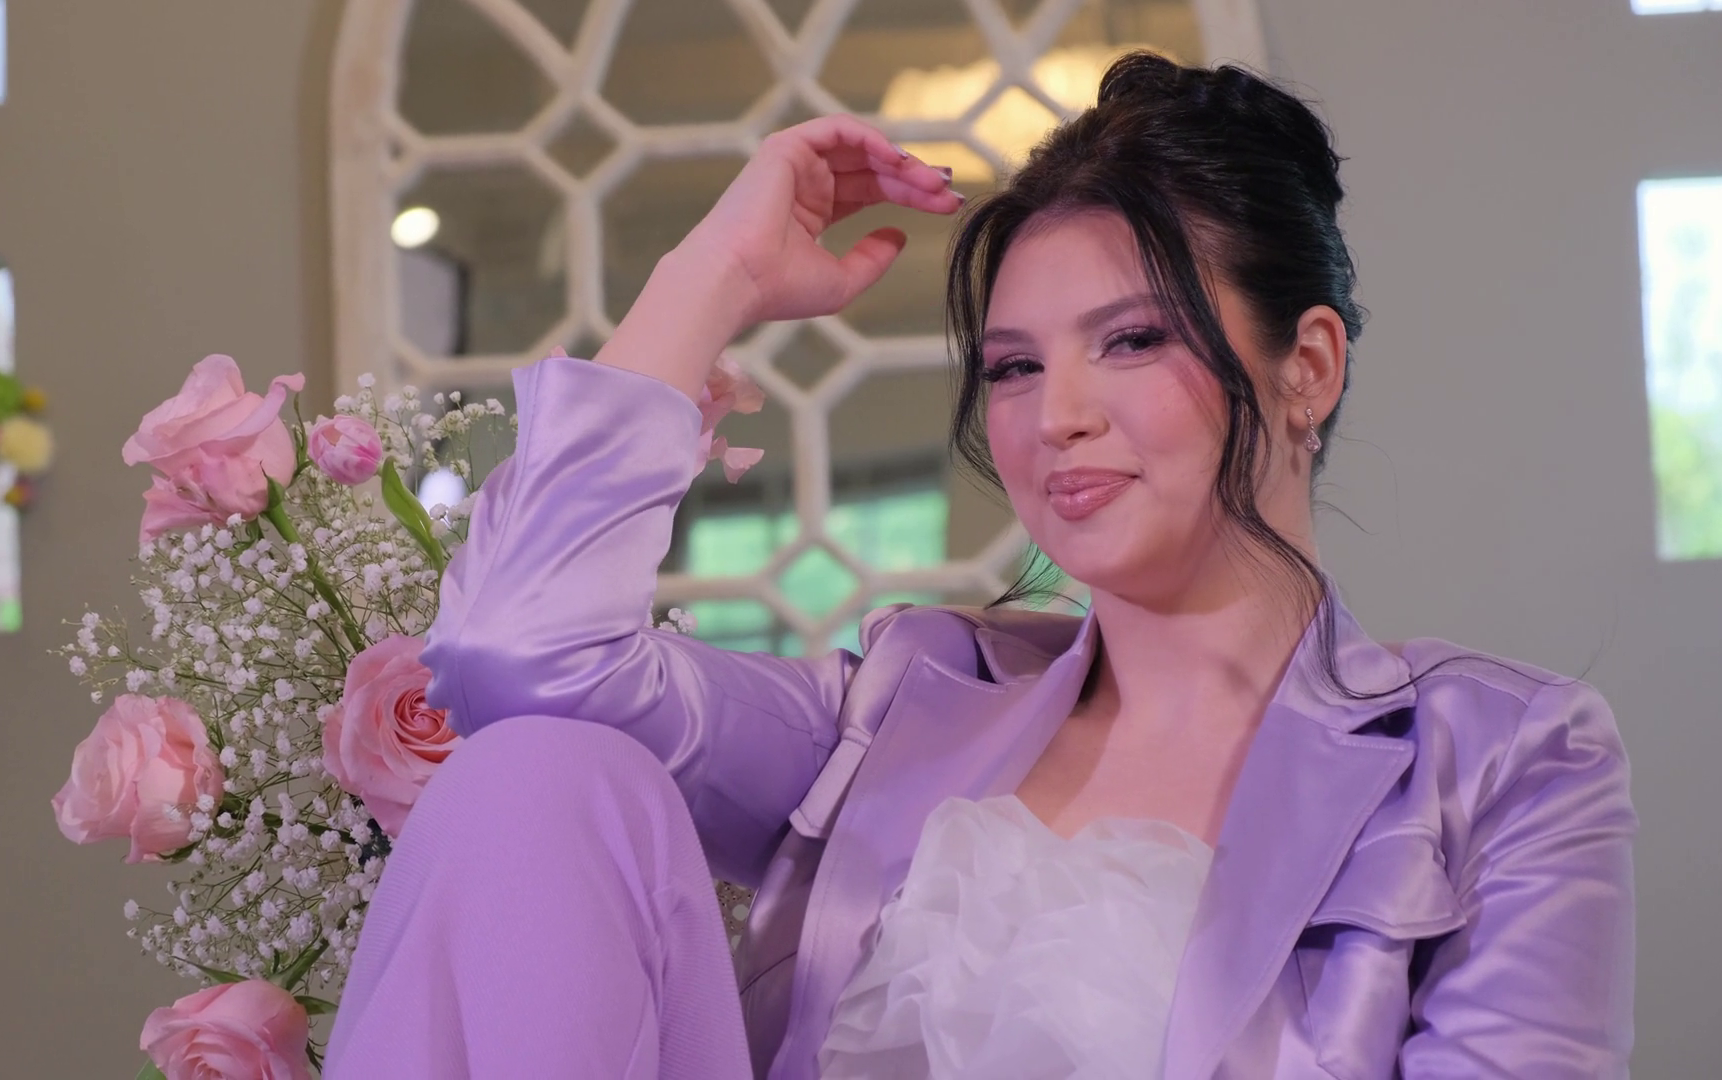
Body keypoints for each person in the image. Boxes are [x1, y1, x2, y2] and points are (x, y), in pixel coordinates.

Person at [325, 53, 1636, 1079]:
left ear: (1309, 367)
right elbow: (520, 661)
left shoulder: (1499, 763)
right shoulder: (898, 706)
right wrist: (713, 274)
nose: (1055, 414)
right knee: (535, 773)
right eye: (1013, 367)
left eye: (1131, 341)